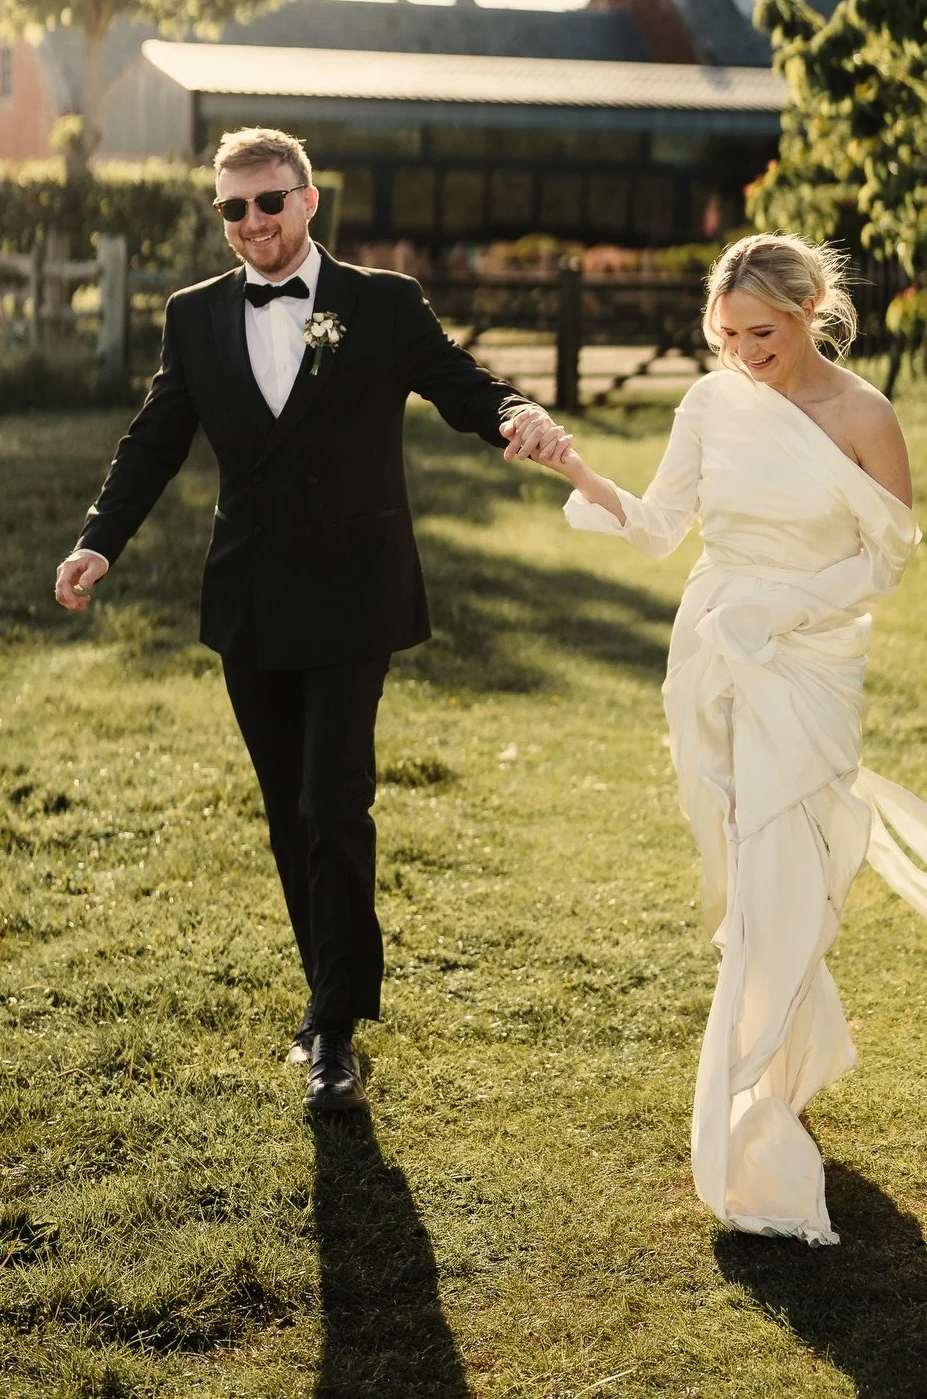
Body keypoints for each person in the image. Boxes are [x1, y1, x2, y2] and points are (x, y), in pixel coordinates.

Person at [508, 233, 927, 1245]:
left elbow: (886, 556)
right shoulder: (713, 404)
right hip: (714, 655)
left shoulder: (863, 414)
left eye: (762, 333)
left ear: (810, 311)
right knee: (745, 872)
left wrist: (788, 614)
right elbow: (662, 526)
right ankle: (781, 1068)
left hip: (806, 662)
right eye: (727, 335)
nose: (745, 354)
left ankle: (755, 1115)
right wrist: (573, 466)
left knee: (788, 875)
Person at [54, 127, 566, 1116]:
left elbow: (458, 380)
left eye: (268, 203)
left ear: (309, 200)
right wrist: (98, 542)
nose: (251, 224)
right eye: (232, 210)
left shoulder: (381, 302)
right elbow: (155, 439)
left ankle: (334, 1032)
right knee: (292, 812)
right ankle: (325, 996)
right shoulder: (194, 317)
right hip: (250, 598)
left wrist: (512, 414)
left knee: (335, 801)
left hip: (354, 590)